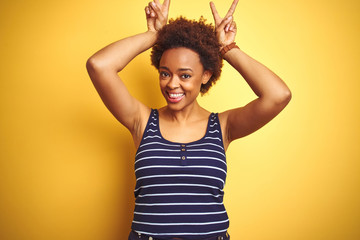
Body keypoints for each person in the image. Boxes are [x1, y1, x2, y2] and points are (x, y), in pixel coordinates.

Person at [86, 0, 291, 239]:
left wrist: (228, 48)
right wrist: (154, 35)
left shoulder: (223, 126)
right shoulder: (141, 120)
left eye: (185, 75)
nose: (172, 84)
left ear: (205, 75)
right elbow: (99, 65)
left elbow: (278, 95)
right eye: (165, 73)